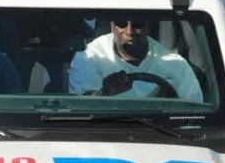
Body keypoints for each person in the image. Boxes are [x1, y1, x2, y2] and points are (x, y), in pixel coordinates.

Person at [68, 19, 203, 102]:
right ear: (112, 26)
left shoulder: (175, 64)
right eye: (122, 23)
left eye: (137, 23)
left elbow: (194, 111)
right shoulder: (90, 57)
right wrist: (105, 93)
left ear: (148, 27)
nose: (129, 31)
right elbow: (82, 106)